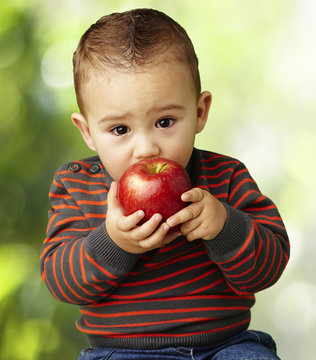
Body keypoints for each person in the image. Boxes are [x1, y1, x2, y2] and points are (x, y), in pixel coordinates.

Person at [40, 8, 290, 360]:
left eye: (165, 121)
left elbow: (270, 264)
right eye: (120, 130)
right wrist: (115, 242)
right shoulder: (76, 186)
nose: (146, 148)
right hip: (121, 353)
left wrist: (224, 226)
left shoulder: (226, 178)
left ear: (200, 112)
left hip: (225, 348)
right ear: (88, 132)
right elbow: (59, 279)